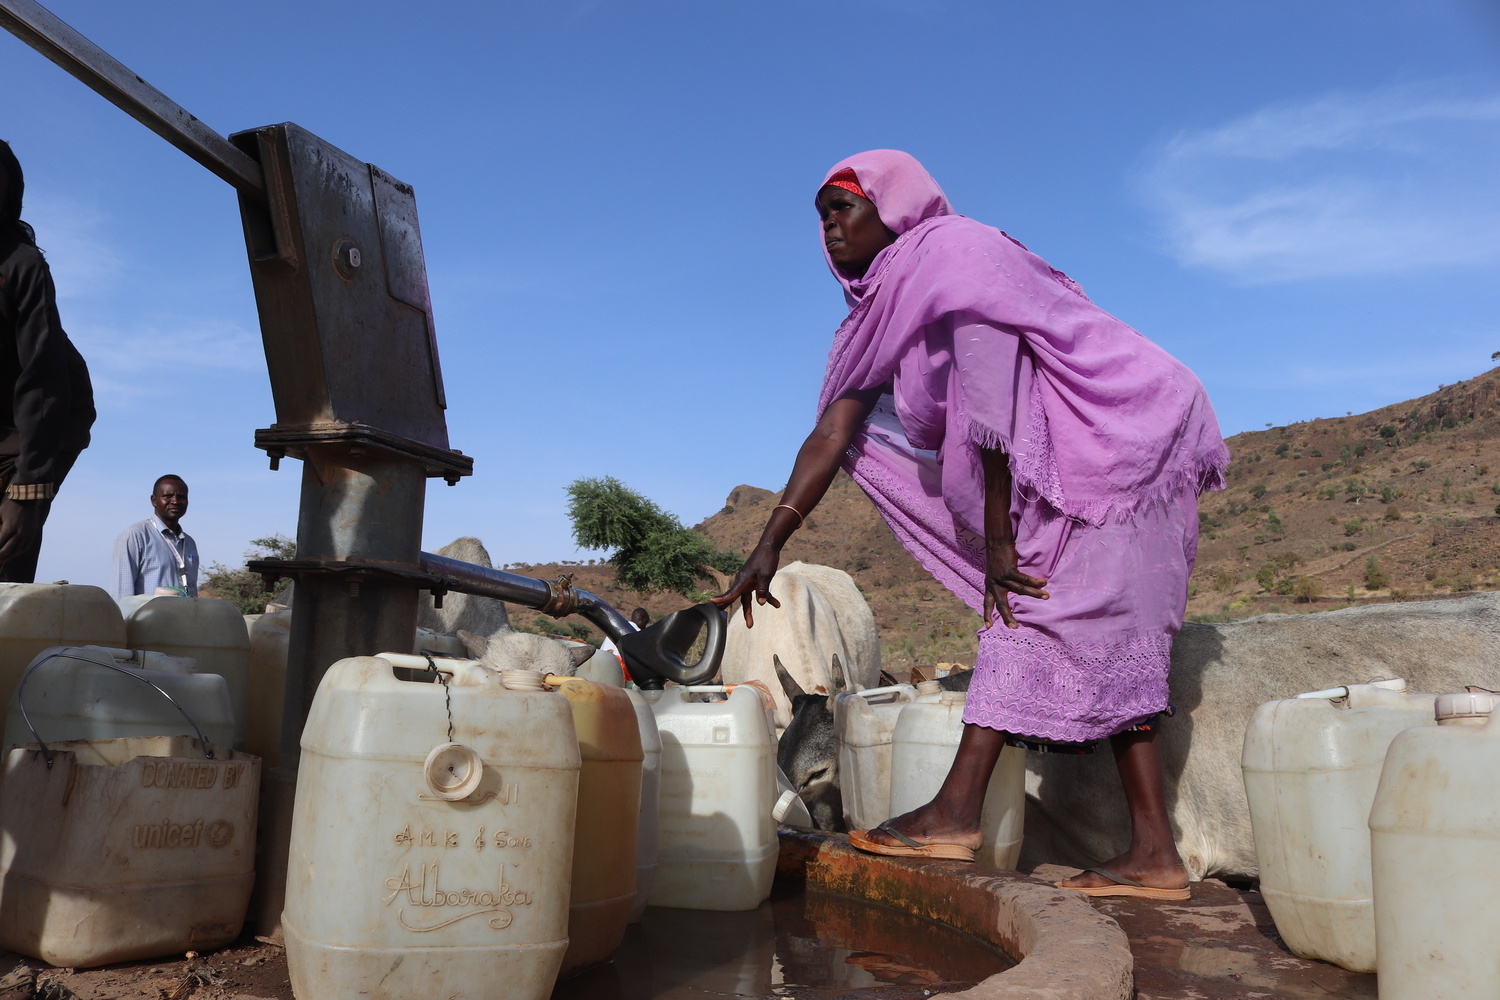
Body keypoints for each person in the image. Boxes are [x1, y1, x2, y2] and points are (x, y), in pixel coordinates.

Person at [712, 150, 1228, 900]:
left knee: (1030, 612)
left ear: (892, 206)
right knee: (1077, 631)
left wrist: (997, 539)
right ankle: (1150, 855)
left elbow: (989, 394)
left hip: (1116, 441)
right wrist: (769, 542)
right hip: (1055, 462)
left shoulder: (954, 253)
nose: (828, 229)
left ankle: (957, 816)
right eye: (821, 215)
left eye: (843, 208)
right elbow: (833, 428)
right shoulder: (881, 308)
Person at [0, 140, 96, 583]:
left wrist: (27, 493)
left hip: (34, 433)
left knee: (7, 546)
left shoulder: (20, 265)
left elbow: (42, 381)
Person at [112, 475, 199, 598]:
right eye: (167, 496)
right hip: (147, 617)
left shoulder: (189, 543)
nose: (175, 501)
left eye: (181, 497)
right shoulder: (135, 536)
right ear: (154, 500)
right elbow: (122, 595)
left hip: (185, 616)